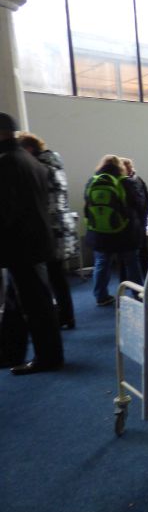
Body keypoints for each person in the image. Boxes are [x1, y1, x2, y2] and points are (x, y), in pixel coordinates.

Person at [0, 113, 64, 375]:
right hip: (34, 241)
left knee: (35, 305)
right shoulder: (29, 160)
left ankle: (48, 357)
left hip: (20, 244)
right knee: (17, 302)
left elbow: (6, 210)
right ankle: (10, 352)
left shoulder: (7, 162)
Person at [19, 132, 78, 330]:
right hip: (60, 226)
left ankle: (60, 317)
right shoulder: (55, 164)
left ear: (28, 149)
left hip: (48, 228)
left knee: (50, 277)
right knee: (57, 275)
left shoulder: (39, 167)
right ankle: (66, 316)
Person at [84, 154, 146, 306]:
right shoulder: (126, 182)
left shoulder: (92, 181)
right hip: (125, 231)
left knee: (101, 263)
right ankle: (139, 295)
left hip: (99, 232)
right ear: (120, 167)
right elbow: (140, 204)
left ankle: (101, 296)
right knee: (131, 263)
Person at [120, 157, 148, 276]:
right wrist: (144, 217)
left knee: (125, 255)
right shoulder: (138, 180)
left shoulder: (122, 183)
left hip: (128, 225)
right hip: (141, 222)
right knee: (143, 251)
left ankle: (125, 281)